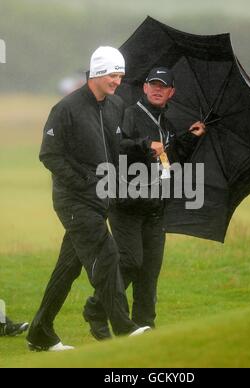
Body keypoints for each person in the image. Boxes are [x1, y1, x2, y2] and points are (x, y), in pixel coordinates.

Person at [26, 46, 151, 352]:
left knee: (68, 268)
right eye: (112, 74)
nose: (117, 81)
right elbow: (49, 155)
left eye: (120, 75)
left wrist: (144, 149)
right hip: (74, 201)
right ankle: (124, 328)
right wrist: (84, 182)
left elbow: (116, 147)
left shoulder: (114, 106)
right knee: (107, 255)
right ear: (96, 73)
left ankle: (40, 332)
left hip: (100, 199)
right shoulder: (66, 108)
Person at [84, 67, 206, 336]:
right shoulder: (128, 114)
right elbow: (117, 146)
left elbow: (170, 161)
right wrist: (144, 145)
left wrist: (190, 138)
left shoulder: (167, 125)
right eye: (153, 84)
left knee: (150, 270)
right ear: (145, 87)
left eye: (163, 86)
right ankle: (96, 308)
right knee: (129, 261)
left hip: (154, 208)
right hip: (126, 204)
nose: (157, 89)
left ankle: (145, 326)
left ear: (171, 92)